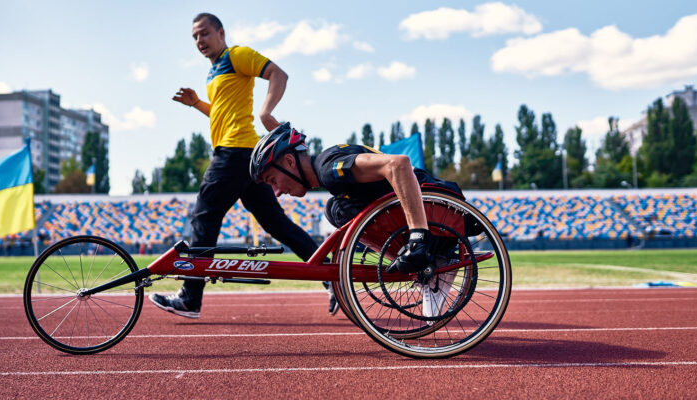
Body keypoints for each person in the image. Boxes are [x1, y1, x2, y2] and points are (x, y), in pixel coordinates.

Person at [151, 13, 337, 319]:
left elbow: (279, 74)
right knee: (276, 224)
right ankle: (331, 277)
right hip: (245, 156)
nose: (200, 41)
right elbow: (223, 113)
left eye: (204, 34)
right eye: (195, 37)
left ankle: (190, 297)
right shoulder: (213, 73)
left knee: (204, 217)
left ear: (220, 32)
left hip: (234, 152)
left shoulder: (237, 55)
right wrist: (197, 103)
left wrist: (266, 113)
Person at [250, 122, 470, 274]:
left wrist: (418, 238)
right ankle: (426, 255)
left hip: (438, 211)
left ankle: (431, 252)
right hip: (432, 212)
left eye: (272, 180)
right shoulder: (328, 172)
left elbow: (398, 164)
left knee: (339, 209)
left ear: (289, 162)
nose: (276, 192)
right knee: (335, 209)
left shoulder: (328, 169)